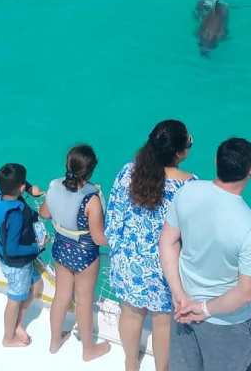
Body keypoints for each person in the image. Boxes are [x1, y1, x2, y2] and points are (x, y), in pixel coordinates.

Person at [159, 137, 251, 371]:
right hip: (226, 323)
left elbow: (167, 242)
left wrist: (179, 295)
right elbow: (245, 293)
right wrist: (204, 309)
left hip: (182, 310)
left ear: (216, 161)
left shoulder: (186, 192)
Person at [105, 119, 196, 371]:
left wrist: (121, 254)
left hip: (128, 261)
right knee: (163, 322)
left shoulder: (128, 172)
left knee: (131, 314)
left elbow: (113, 220)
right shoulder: (189, 186)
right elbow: (192, 234)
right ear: (179, 153)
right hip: (165, 269)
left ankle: (130, 364)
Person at [39, 144, 111, 362]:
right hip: (85, 255)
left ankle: (54, 342)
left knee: (61, 296)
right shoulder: (92, 200)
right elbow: (99, 238)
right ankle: (88, 350)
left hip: (61, 249)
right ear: (90, 172)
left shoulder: (53, 186)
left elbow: (44, 213)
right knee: (83, 302)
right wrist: (118, 240)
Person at [0, 162, 46, 347]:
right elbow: (12, 249)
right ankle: (8, 338)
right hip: (17, 265)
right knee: (14, 300)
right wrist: (37, 248)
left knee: (37, 286)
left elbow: (16, 185)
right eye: (24, 185)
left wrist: (29, 189)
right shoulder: (15, 216)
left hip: (15, 262)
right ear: (20, 187)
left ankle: (18, 323)